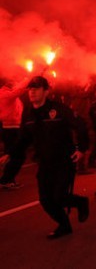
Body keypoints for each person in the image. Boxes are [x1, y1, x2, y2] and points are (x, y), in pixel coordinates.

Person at [0, 76, 89, 239]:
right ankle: (64, 225)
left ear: (46, 91)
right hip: (45, 163)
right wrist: (9, 154)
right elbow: (23, 139)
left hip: (64, 161)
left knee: (60, 197)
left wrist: (82, 148)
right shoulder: (28, 115)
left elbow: (81, 125)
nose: (32, 92)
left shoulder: (59, 109)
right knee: (46, 200)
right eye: (30, 89)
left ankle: (81, 203)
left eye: (37, 88)